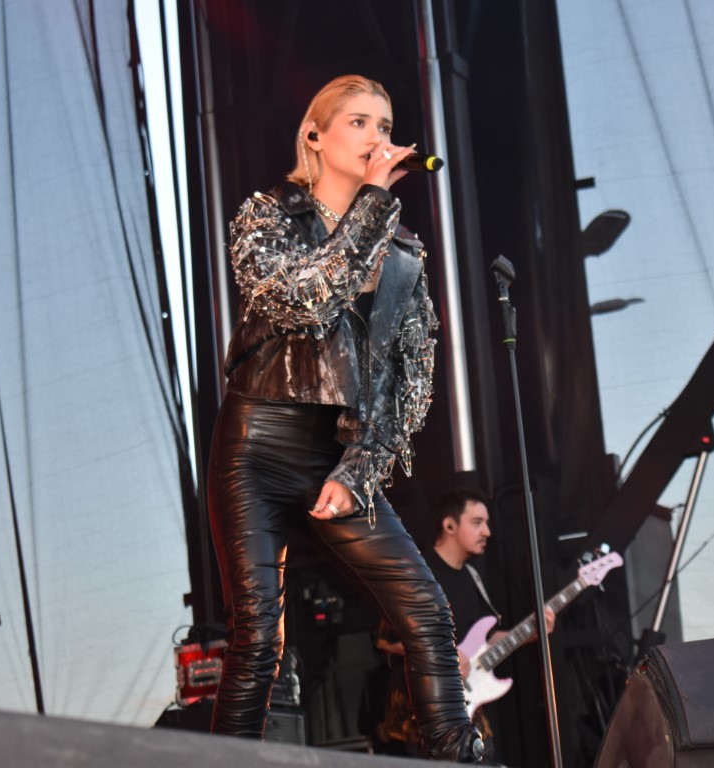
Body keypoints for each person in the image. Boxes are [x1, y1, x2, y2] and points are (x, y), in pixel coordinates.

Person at [206, 74, 485, 762]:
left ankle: (460, 754)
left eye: (384, 126)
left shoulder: (403, 256)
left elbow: (404, 384)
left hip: (336, 457)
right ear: (315, 135)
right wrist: (373, 205)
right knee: (258, 637)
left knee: (427, 609)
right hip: (256, 445)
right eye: (358, 122)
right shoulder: (267, 217)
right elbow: (306, 301)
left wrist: (359, 469)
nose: (376, 137)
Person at [366, 488, 554, 759]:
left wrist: (531, 632)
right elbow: (386, 640)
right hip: (421, 715)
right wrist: (443, 655)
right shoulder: (418, 574)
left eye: (487, 523)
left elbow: (486, 640)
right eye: (477, 522)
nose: (487, 532)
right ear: (450, 526)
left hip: (468, 712)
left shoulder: (472, 576)